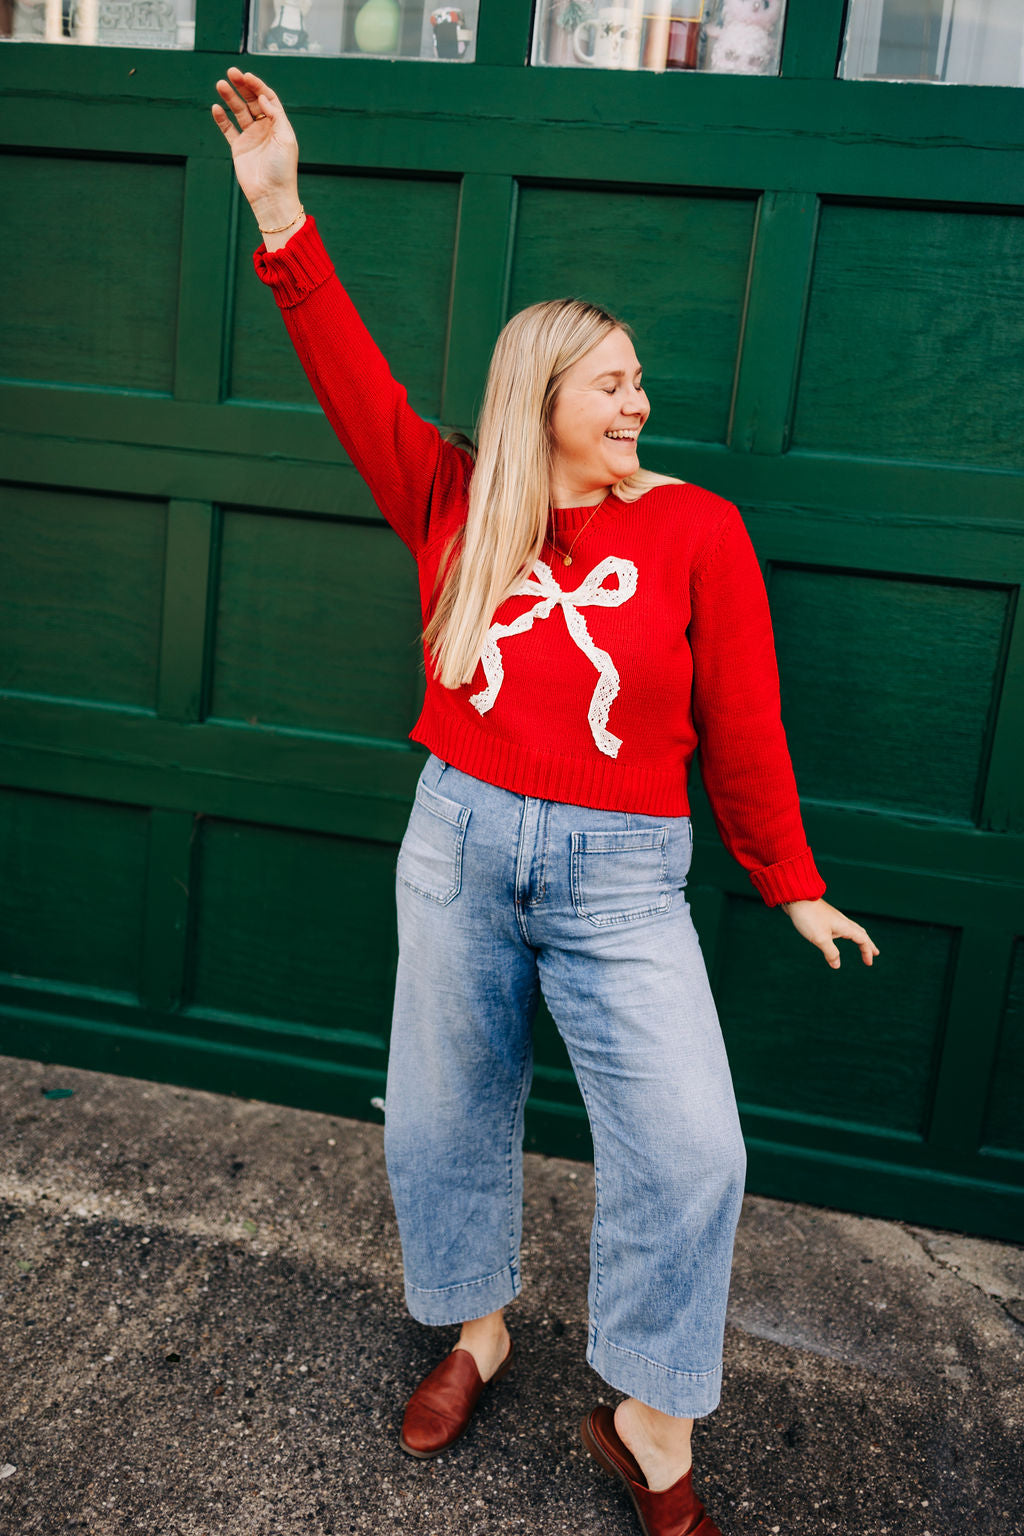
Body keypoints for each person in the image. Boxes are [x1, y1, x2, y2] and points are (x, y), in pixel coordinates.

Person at [212, 66, 879, 1536]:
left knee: (695, 1144)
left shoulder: (701, 531)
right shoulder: (457, 503)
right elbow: (348, 374)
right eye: (614, 381)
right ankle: (478, 1332)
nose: (642, 401)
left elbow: (742, 725)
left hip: (624, 872)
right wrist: (281, 211)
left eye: (641, 382)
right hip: (456, 841)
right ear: (546, 398)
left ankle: (644, 1412)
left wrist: (791, 878)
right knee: (444, 1119)